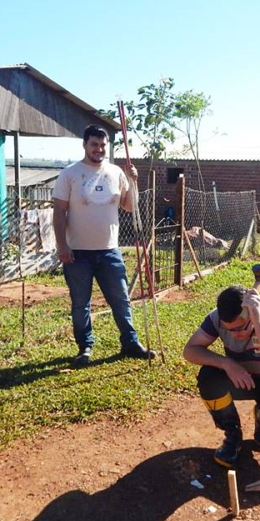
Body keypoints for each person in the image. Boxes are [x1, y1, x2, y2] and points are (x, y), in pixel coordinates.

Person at [52, 125, 154, 366]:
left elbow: (130, 206)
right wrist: (62, 246)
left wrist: (133, 181)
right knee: (80, 303)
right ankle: (85, 347)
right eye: (94, 144)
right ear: (85, 145)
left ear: (107, 146)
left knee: (121, 299)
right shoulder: (70, 173)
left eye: (102, 145)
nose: (99, 149)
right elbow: (59, 212)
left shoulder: (117, 172)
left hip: (109, 251)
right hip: (77, 252)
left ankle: (130, 343)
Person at [183, 285, 260, 467]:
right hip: (240, 379)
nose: (236, 335)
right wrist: (227, 363)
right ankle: (232, 433)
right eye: (229, 330)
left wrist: (257, 320)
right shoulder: (216, 318)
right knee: (208, 377)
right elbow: (190, 350)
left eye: (241, 328)